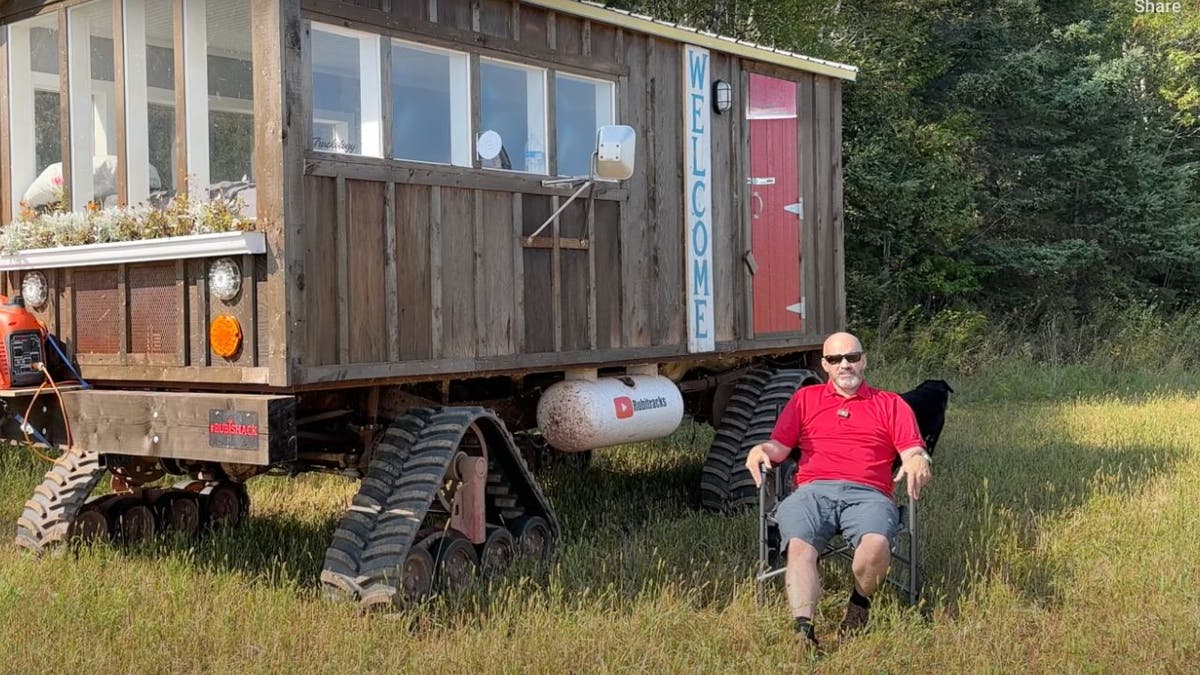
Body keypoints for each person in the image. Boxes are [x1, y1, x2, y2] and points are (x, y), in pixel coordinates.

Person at [745, 332, 932, 648]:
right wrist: (759, 449)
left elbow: (912, 449)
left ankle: (859, 605)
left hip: (869, 494)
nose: (845, 365)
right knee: (800, 548)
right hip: (812, 492)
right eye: (835, 359)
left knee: (875, 546)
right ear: (824, 365)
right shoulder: (806, 399)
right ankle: (803, 632)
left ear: (864, 360)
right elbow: (778, 447)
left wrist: (918, 461)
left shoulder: (890, 404)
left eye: (852, 357)